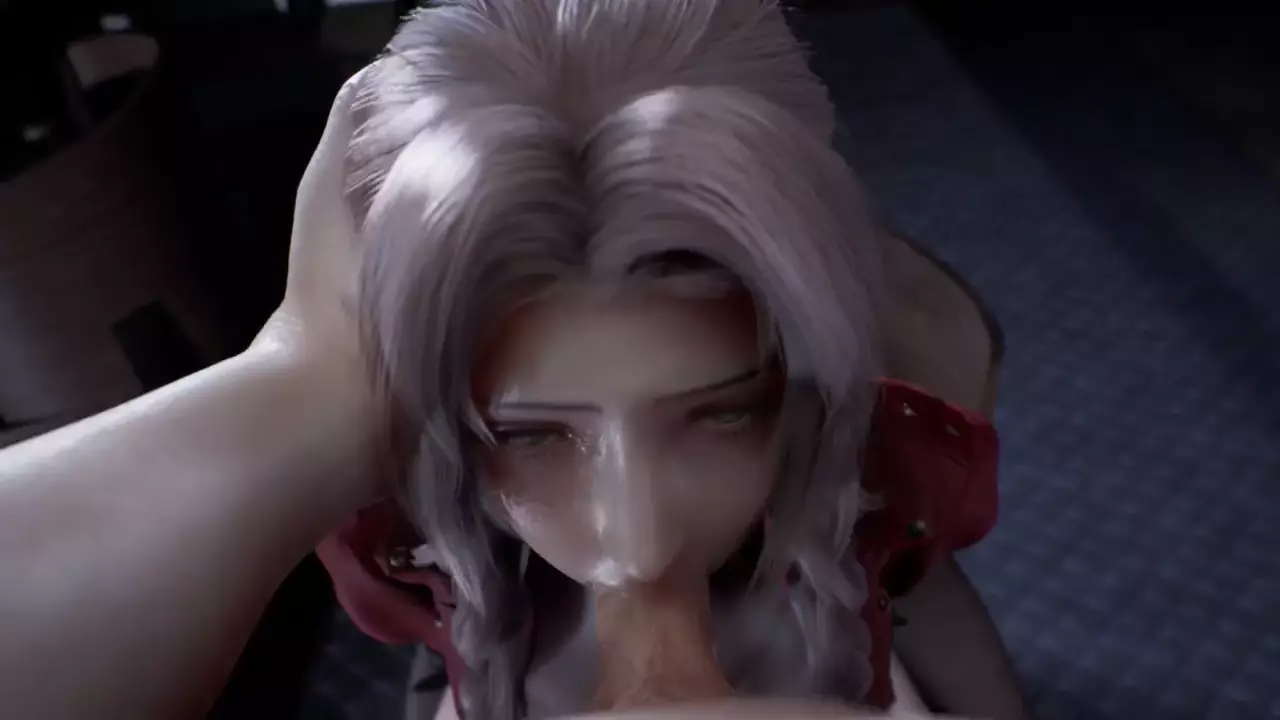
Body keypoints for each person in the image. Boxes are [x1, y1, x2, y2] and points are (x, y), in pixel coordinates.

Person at [0, 11, 1026, 720]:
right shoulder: (436, 542)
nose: (634, 538)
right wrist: (303, 377)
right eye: (531, 434)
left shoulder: (870, 485)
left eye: (723, 413)